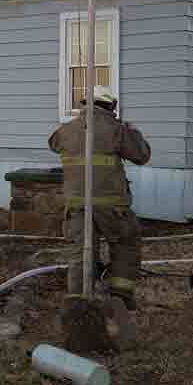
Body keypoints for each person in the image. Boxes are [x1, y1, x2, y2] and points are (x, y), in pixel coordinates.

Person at [48, 86, 151, 347]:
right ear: (109, 107)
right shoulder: (117, 130)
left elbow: (53, 143)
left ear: (85, 104)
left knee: (80, 255)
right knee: (126, 243)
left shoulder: (66, 130)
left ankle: (78, 306)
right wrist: (133, 132)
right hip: (112, 207)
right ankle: (121, 297)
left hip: (77, 207)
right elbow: (142, 155)